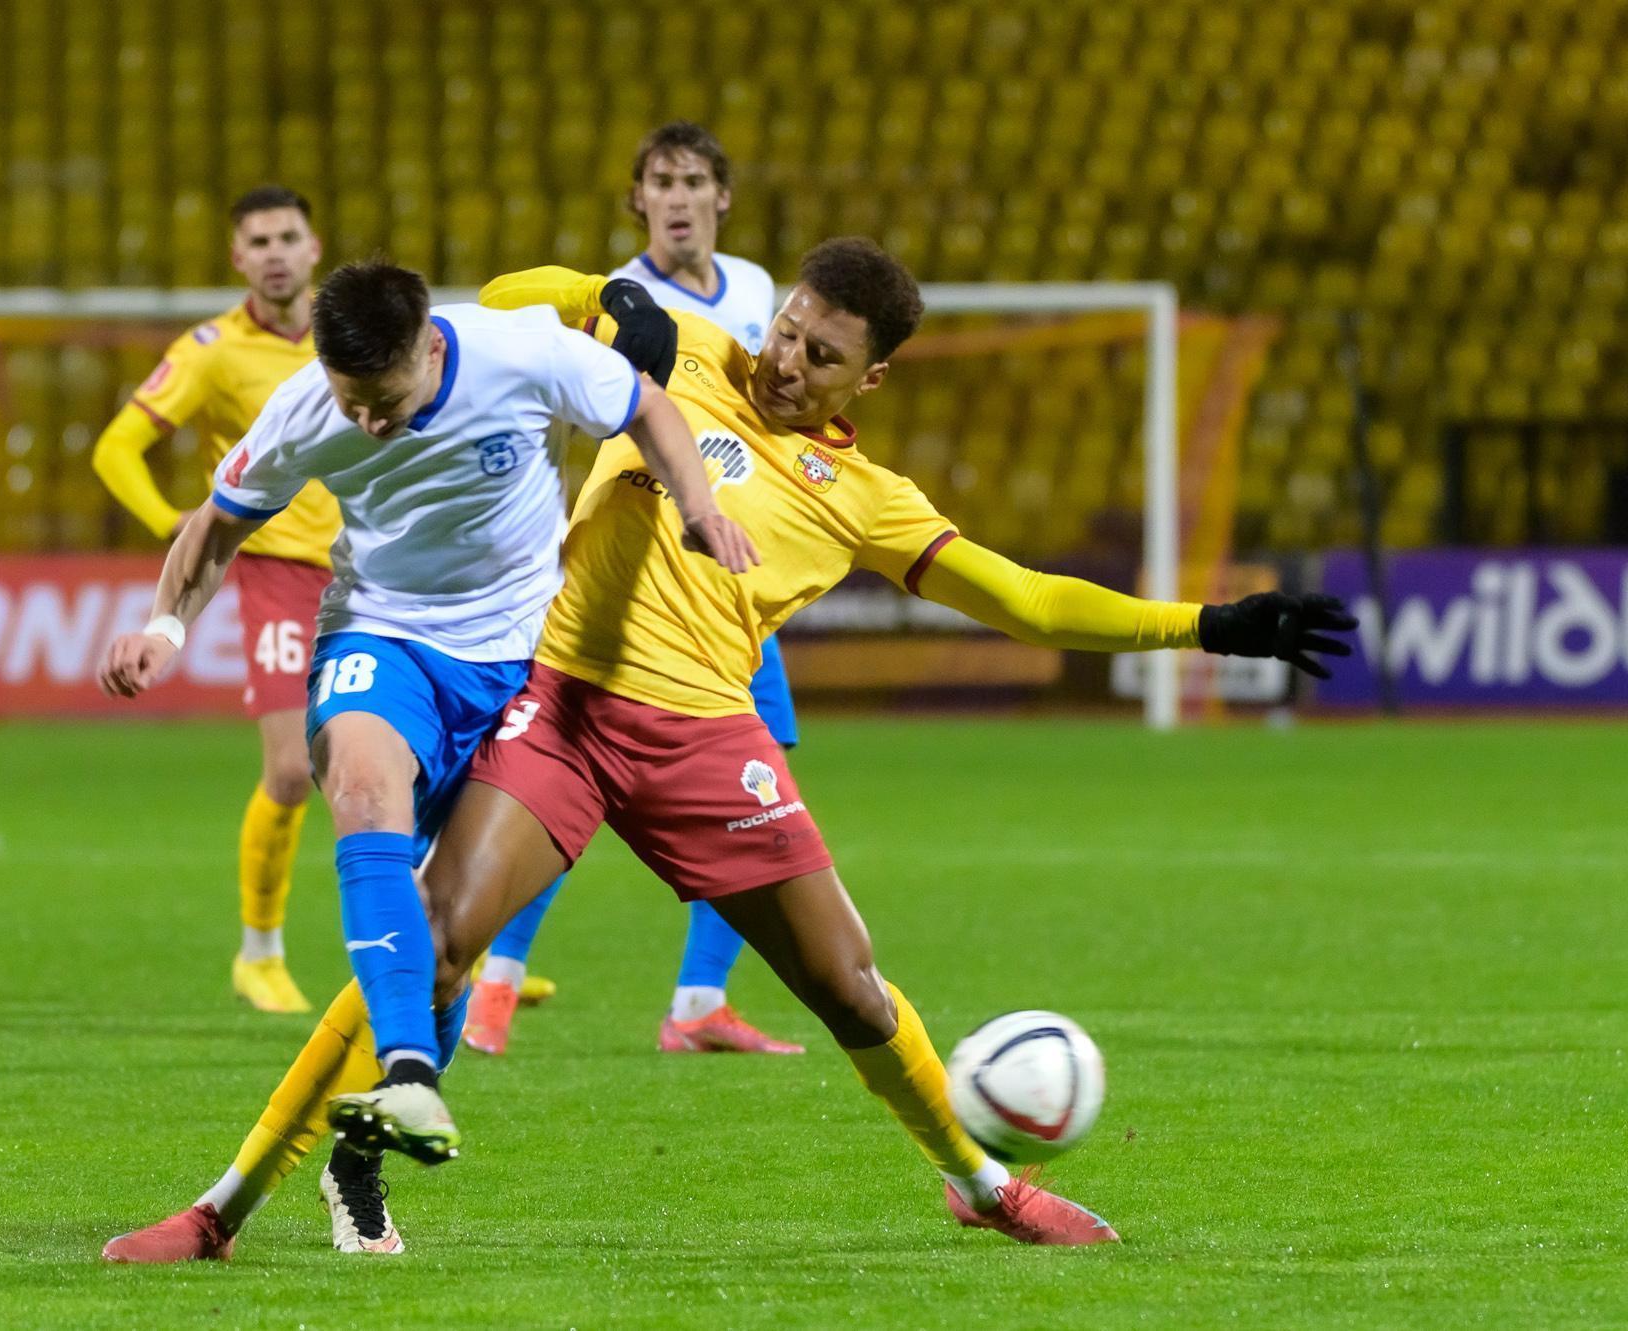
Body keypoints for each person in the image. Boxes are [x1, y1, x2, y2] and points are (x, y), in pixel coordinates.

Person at [97, 239, 1354, 1261]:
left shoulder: (864, 499)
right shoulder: (687, 352)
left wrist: (1202, 625)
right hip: (562, 708)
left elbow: (1023, 599)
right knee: (431, 938)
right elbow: (512, 303)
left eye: (822, 355)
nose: (786, 360)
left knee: (848, 985)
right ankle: (223, 1208)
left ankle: (982, 1182)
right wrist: (616, 300)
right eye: (788, 329)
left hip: (705, 739)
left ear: (868, 379)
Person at [96, 259, 755, 1256]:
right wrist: (163, 628)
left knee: (448, 941)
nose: (366, 423)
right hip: (382, 636)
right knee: (364, 790)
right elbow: (215, 526)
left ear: (430, 347)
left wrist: (698, 506)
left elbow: (649, 407)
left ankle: (352, 1161)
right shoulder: (303, 409)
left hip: (527, 667)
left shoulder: (519, 353)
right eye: (350, 401)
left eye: (386, 400)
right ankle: (406, 1068)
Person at [465, 121, 802, 1058]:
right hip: (633, 571)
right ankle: (495, 981)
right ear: (638, 198)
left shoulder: (757, 291)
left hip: (728, 575)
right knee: (570, 780)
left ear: (722, 196)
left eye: (694, 180)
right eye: (661, 181)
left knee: (762, 779)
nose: (678, 197)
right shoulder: (620, 294)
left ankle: (699, 1002)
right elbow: (506, 319)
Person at [90, 185, 337, 1014]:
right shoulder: (211, 351)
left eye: (287, 237)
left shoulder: (349, 334)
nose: (274, 253)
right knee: (293, 768)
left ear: (314, 248)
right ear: (237, 258)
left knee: (420, 759)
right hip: (277, 570)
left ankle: (464, 946)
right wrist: (175, 525)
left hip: (372, 569)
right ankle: (259, 953)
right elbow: (117, 447)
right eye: (257, 241)